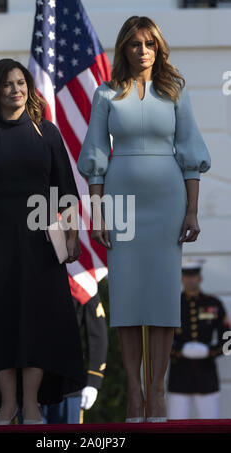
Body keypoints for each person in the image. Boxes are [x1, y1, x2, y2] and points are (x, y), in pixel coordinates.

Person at [76, 16, 211, 422]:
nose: (142, 50)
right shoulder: (105, 94)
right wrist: (98, 214)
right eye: (134, 43)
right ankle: (135, 395)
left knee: (164, 300)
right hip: (120, 204)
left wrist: (192, 210)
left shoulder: (175, 90)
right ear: (124, 49)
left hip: (168, 202)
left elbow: (190, 154)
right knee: (130, 300)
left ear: (158, 48)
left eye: (149, 43)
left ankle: (157, 393)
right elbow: (96, 160)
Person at [0, 58, 87, 425]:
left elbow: (67, 193)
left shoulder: (48, 132)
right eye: (8, 84)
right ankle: (7, 405)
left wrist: (72, 237)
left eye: (21, 83)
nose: (16, 89)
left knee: (37, 323)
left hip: (42, 245)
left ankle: (32, 405)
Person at [167, 258, 230, 419]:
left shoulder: (213, 303)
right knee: (176, 427)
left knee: (211, 427)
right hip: (179, 378)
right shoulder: (172, 303)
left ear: (200, 277)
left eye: (193, 275)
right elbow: (161, 339)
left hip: (207, 377)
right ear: (181, 278)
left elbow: (228, 341)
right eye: (186, 275)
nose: (190, 279)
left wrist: (210, 351)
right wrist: (178, 351)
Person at [40, 291, 108, 424]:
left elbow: (97, 333)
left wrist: (93, 380)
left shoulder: (78, 280)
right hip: (30, 384)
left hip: (68, 383)